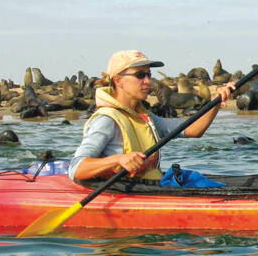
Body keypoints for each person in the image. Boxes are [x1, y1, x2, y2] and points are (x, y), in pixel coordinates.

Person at [68, 50, 234, 181]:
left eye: (149, 75)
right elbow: (76, 168)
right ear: (118, 81)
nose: (148, 81)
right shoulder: (106, 120)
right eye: (140, 75)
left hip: (148, 187)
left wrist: (215, 102)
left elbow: (193, 130)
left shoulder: (144, 117)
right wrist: (118, 159)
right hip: (122, 194)